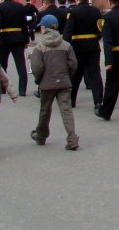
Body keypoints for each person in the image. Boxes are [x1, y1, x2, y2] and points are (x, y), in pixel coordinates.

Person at [30, 14, 80, 151]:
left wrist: (39, 80)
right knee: (66, 110)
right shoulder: (66, 45)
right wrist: (67, 76)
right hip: (64, 82)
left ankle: (41, 135)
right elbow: (73, 64)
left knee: (45, 110)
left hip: (47, 83)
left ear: (44, 28)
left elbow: (37, 67)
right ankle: (72, 138)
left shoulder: (39, 47)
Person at [62, 0, 104, 109]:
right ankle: (98, 101)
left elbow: (68, 32)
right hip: (92, 46)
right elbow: (100, 29)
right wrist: (94, 39)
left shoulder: (73, 12)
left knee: (76, 74)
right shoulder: (96, 11)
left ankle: (72, 100)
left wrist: (66, 48)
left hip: (77, 47)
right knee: (95, 73)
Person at [0, 0, 30, 96]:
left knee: (3, 64)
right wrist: (26, 40)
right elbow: (24, 25)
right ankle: (22, 90)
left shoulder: (0, 7)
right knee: (21, 65)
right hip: (18, 38)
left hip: (4, 39)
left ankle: (3, 88)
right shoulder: (19, 6)